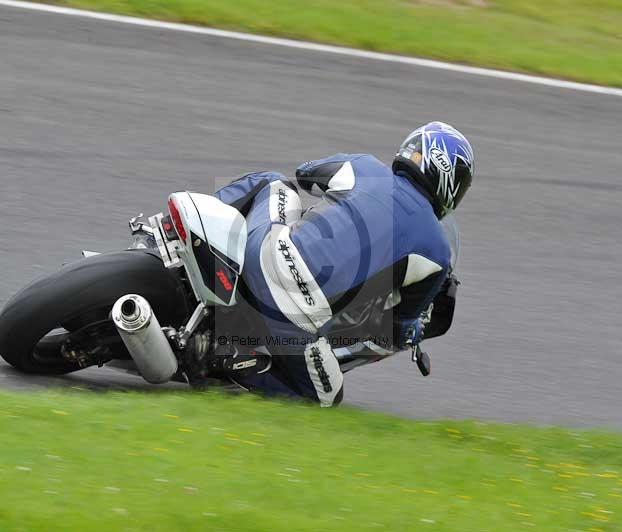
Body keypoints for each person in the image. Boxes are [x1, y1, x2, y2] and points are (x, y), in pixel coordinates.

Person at [183, 122, 474, 406]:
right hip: (296, 317)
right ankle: (221, 359)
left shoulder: (364, 167)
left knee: (273, 181)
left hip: (266, 256)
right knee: (325, 396)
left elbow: (305, 173)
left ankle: (198, 232)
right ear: (450, 184)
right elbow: (399, 324)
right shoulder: (438, 252)